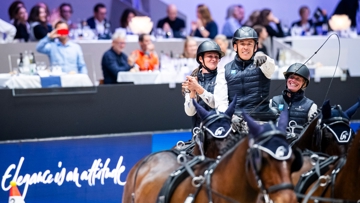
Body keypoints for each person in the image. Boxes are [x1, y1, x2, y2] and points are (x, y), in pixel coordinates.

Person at [214, 26, 276, 120]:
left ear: (255, 47)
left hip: (262, 121)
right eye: (242, 44)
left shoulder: (263, 65)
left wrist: (264, 58)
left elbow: (271, 68)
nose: (246, 47)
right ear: (235, 46)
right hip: (235, 122)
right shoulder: (224, 70)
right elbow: (221, 102)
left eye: (249, 44)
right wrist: (230, 116)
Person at [182, 40, 224, 129]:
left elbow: (217, 104)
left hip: (218, 131)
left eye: (216, 57)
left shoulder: (223, 77)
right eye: (210, 56)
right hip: (198, 132)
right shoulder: (192, 80)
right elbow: (190, 112)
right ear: (201, 59)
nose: (214, 59)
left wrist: (198, 88)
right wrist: (192, 92)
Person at [270, 63, 317, 139]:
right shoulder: (273, 101)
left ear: (304, 84)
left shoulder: (311, 107)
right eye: (291, 77)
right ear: (287, 80)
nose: (293, 80)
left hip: (298, 149)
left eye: (298, 79)